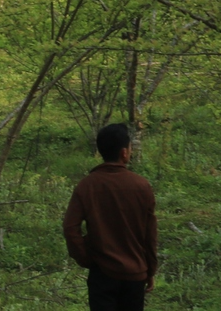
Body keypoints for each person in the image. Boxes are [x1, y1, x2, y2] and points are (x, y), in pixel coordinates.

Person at [63, 123, 157, 310]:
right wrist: (150, 269)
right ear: (124, 153)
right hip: (135, 275)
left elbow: (70, 228)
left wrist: (86, 259)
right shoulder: (142, 186)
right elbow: (150, 234)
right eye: (130, 148)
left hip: (102, 274)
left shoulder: (87, 185)